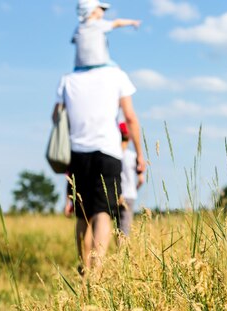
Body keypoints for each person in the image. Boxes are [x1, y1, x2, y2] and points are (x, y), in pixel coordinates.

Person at [53, 65, 145, 273]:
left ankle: (84, 266)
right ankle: (97, 271)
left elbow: (56, 116)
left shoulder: (69, 79)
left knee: (82, 214)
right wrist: (139, 154)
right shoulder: (117, 76)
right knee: (103, 213)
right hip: (106, 153)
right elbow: (130, 117)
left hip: (78, 152)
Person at [73, 0, 140, 71]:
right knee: (117, 70)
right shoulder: (98, 24)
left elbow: (74, 40)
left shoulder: (79, 28)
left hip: (79, 67)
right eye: (101, 8)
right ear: (93, 11)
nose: (103, 11)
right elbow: (118, 23)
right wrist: (133, 22)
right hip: (99, 64)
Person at [118, 121, 144, 237]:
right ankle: (122, 254)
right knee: (125, 229)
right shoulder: (133, 157)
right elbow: (141, 180)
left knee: (117, 229)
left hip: (115, 196)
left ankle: (118, 253)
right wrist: (134, 189)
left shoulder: (114, 155)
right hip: (129, 195)